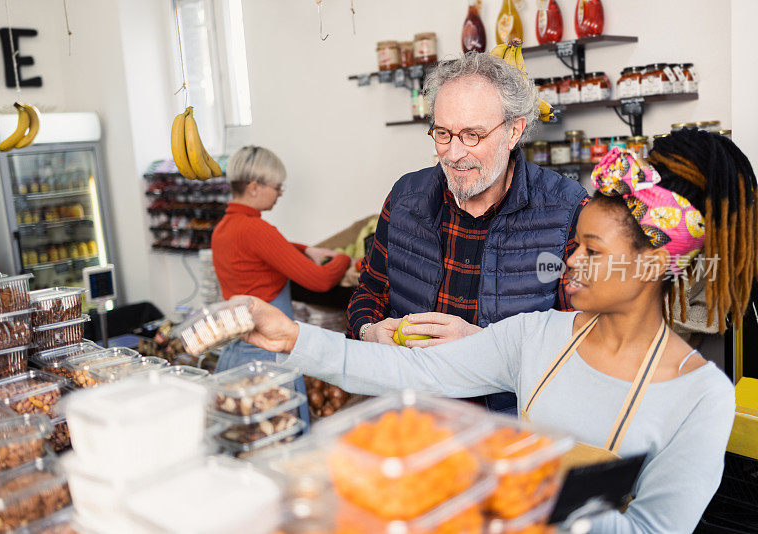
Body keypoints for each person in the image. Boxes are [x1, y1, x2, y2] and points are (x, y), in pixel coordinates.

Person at [240, 129, 755, 533]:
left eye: (592, 251)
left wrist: (519, 485)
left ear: (652, 266)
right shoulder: (536, 336)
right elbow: (409, 368)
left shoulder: (700, 395)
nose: (568, 262)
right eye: (574, 243)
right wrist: (293, 338)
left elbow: (650, 528)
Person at [346, 52, 588, 412]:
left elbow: (588, 337)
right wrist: (370, 331)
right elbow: (369, 293)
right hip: (416, 420)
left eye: (472, 135)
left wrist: (485, 345)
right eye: (443, 133)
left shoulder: (568, 211)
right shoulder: (404, 199)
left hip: (513, 430)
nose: (454, 153)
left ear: (514, 131)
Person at [211, 145, 351, 376]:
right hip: (267, 352)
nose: (280, 193)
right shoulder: (256, 229)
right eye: (277, 187)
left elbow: (259, 250)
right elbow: (321, 281)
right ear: (254, 188)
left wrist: (305, 250)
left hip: (241, 347)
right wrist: (345, 259)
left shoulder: (223, 229)